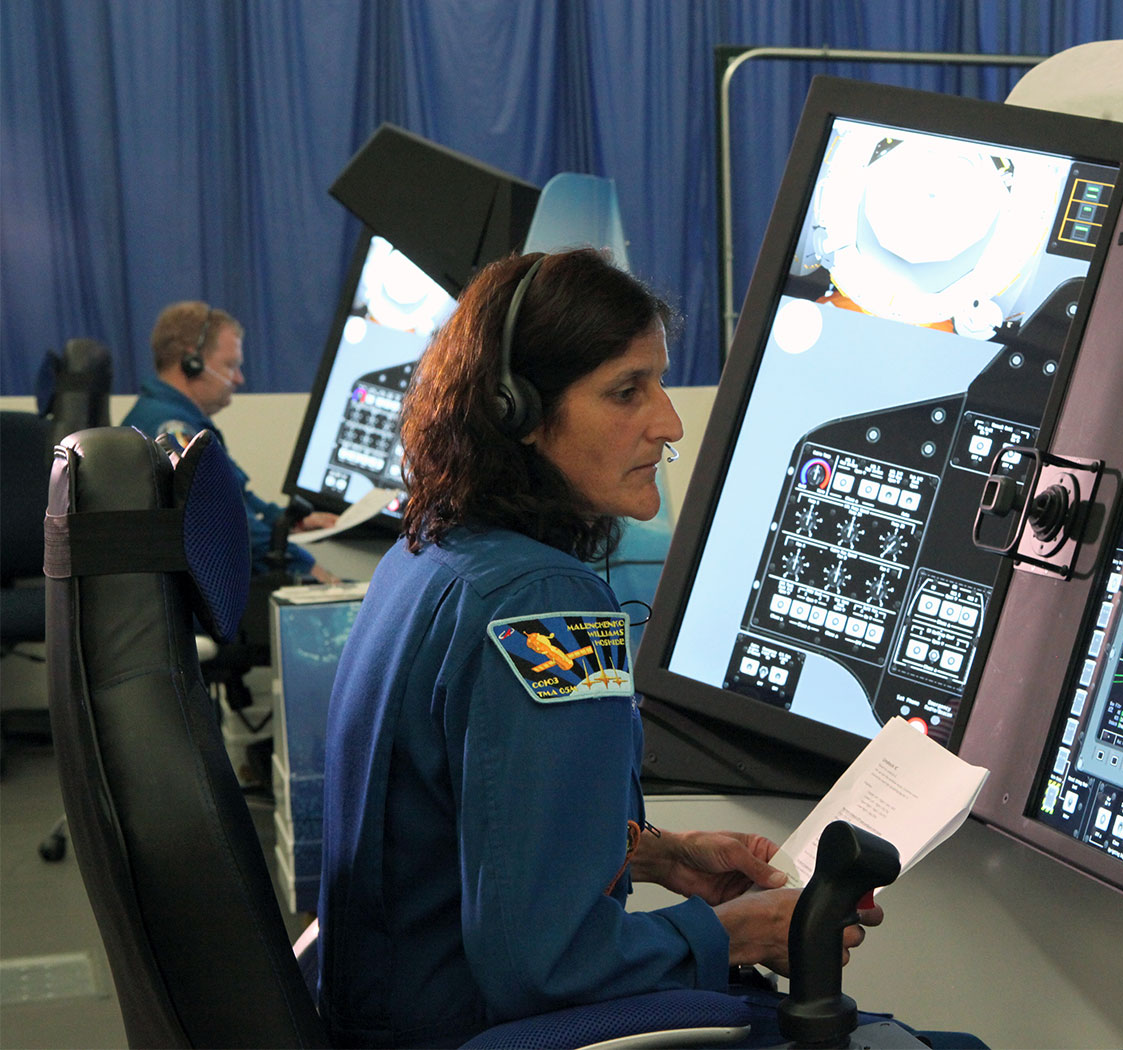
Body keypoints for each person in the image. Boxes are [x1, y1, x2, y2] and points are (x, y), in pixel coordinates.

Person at [316, 250, 880, 1049]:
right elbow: (544, 965)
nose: (668, 422)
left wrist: (659, 853)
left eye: (658, 382)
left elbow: (456, 827)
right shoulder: (546, 607)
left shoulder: (426, 555)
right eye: (626, 391)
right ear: (519, 414)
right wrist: (739, 934)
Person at [123, 301, 338, 581]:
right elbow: (224, 520)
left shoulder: (172, 420)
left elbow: (236, 496)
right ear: (192, 363)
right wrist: (308, 569)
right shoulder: (170, 431)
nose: (239, 378)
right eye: (230, 365)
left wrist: (285, 522)